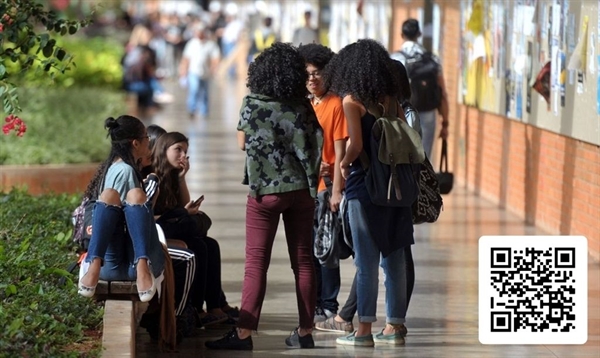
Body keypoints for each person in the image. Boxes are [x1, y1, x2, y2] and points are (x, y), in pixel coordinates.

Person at [205, 42, 323, 350]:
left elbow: (242, 144)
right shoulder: (302, 105)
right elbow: (315, 144)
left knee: (256, 262)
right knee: (304, 261)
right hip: (301, 191)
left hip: (265, 193)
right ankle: (306, 330)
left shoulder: (252, 103)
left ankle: (244, 334)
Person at [317, 60, 419, 335]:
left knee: (367, 262)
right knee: (396, 257)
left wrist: (343, 163)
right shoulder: (391, 100)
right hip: (396, 185)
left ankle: (362, 331)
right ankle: (394, 326)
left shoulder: (352, 101)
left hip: (366, 186)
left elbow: (357, 144)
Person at [77, 115, 165, 304]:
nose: (148, 142)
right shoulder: (125, 171)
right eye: (146, 138)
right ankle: (141, 264)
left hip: (109, 266)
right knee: (135, 196)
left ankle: (94, 266)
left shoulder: (113, 166)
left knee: (113, 196)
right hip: (127, 260)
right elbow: (127, 222)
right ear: (135, 143)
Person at [150, 131, 231, 326]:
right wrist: (179, 215)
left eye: (185, 151)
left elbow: (183, 205)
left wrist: (181, 178)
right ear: (163, 150)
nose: (183, 156)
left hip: (170, 227)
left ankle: (214, 306)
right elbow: (145, 216)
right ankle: (195, 308)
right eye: (178, 150)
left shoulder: (171, 176)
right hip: (157, 232)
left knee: (210, 245)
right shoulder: (152, 177)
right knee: (198, 246)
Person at [297, 43, 348, 324]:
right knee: (307, 249)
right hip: (304, 188)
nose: (312, 79)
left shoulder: (336, 104)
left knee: (326, 248)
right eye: (307, 75)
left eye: (317, 73)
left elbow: (340, 152)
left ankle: (328, 303)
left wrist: (337, 190)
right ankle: (314, 302)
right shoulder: (304, 104)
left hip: (325, 188)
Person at [391, 18, 449, 158]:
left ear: (401, 35)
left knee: (402, 156)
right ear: (419, 34)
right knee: (424, 155)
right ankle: (420, 179)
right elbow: (442, 93)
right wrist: (445, 123)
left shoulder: (395, 59)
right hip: (427, 111)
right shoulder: (432, 59)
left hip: (402, 112)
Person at [179, 25, 221, 119]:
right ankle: (192, 109)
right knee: (194, 90)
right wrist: (183, 71)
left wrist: (214, 68)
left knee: (205, 93)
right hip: (194, 72)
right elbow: (186, 59)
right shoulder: (191, 44)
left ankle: (204, 111)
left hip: (205, 73)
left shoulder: (210, 44)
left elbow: (216, 57)